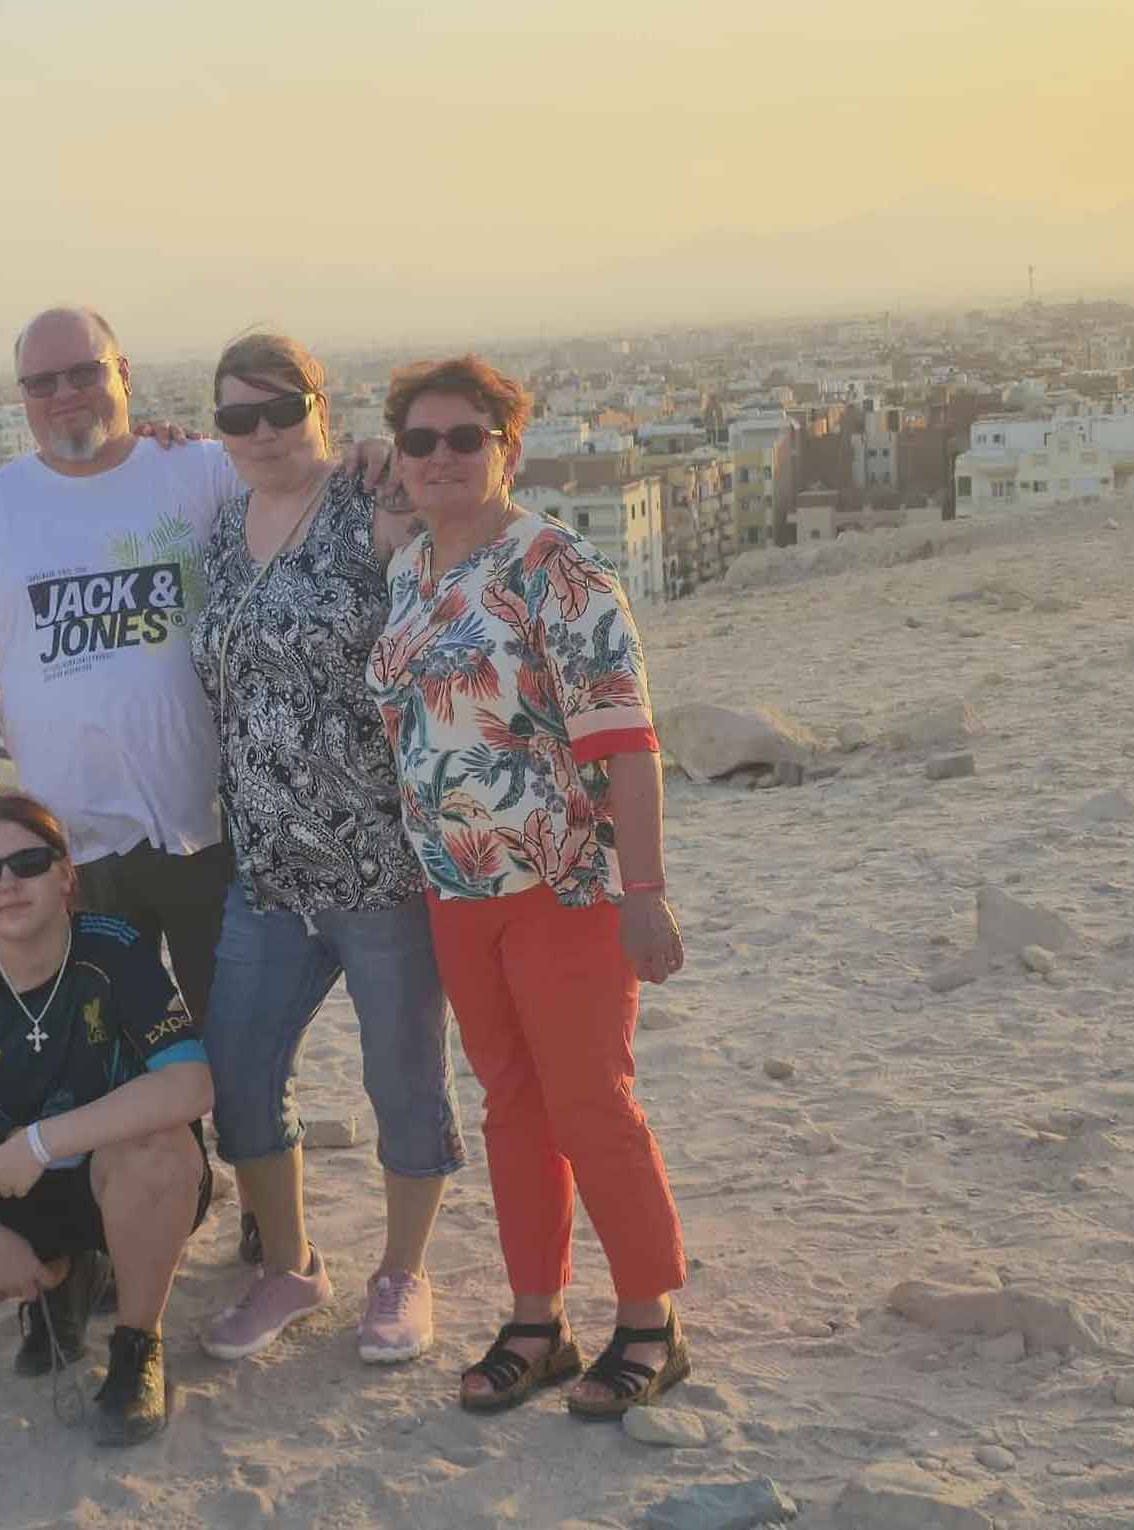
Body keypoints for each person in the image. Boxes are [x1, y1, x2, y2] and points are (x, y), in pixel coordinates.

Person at [365, 355, 692, 1418]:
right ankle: (537, 1319)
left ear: (509, 448)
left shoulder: (558, 569)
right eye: (420, 440)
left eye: (466, 437)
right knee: (512, 1105)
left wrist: (643, 888)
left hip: (565, 883)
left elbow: (627, 741)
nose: (441, 457)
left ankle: (649, 1321)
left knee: (590, 1101)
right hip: (457, 892)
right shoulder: (410, 572)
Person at [187, 332, 464, 1367]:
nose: (261, 433)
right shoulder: (222, 528)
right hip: (265, 871)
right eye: (237, 416)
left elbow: (458, 544)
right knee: (241, 1074)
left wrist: (396, 468)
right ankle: (290, 1267)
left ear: (321, 404)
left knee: (404, 1081)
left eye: (280, 410)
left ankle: (403, 1274)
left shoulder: (374, 503)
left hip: (379, 865)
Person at [0, 307, 242, 1034]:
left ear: (122, 374)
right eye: (42, 382)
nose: (64, 394)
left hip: (212, 830)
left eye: (83, 373)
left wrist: (369, 453)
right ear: (22, 396)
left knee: (246, 1055)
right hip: (67, 850)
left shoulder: (202, 471)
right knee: (110, 1056)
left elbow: (299, 493)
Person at [0, 793, 214, 1448]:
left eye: (28, 863)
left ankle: (138, 1344)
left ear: (66, 875)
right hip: (22, 1180)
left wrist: (42, 1140)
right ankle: (60, 1274)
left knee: (154, 1150)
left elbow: (191, 1084)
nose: (7, 883)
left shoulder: (115, 950)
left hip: (127, 1174)